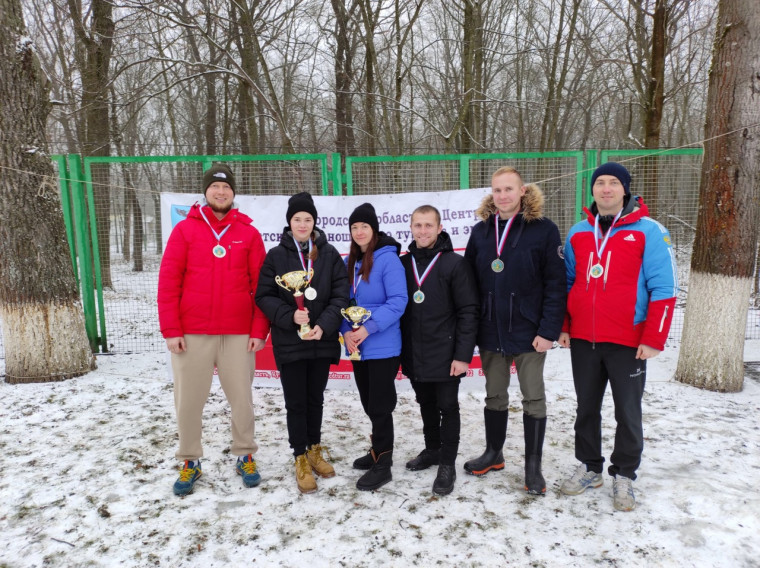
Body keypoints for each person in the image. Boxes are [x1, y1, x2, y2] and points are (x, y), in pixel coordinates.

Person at [558, 162, 677, 512]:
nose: (606, 189)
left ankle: (624, 473)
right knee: (586, 408)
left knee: (627, 410)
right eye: (600, 183)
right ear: (592, 191)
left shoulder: (649, 231)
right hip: (584, 338)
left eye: (613, 183)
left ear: (625, 189)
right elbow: (568, 283)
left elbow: (665, 287)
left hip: (629, 341)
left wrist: (654, 336)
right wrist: (565, 326)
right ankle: (590, 467)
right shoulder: (579, 232)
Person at [157, 164, 270, 496]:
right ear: (206, 192)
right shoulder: (185, 231)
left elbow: (260, 287)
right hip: (193, 333)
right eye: (215, 188)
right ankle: (190, 460)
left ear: (233, 194)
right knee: (188, 402)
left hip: (237, 333)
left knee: (242, 400)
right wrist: (171, 329)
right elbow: (169, 282)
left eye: (227, 188)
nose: (221, 193)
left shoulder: (248, 233)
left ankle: (244, 454)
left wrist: (258, 330)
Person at [463, 166, 566, 495]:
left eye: (509, 189)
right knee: (495, 396)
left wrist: (548, 330)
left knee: (533, 398)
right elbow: (468, 284)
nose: (503, 196)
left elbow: (555, 284)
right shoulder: (480, 232)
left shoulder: (543, 230)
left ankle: (533, 468)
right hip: (491, 331)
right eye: (497, 190)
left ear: (523, 191)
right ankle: (494, 454)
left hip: (529, 333)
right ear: (491, 194)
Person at [255, 192, 349, 494]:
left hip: (321, 341)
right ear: (289, 222)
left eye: (308, 219)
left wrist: (324, 325)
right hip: (290, 342)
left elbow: (340, 295)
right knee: (296, 402)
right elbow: (264, 296)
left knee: (315, 399)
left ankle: (314, 448)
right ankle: (299, 457)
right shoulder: (276, 256)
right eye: (298, 219)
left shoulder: (329, 254)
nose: (303, 224)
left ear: (314, 222)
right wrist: (288, 315)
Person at [400, 205, 479, 496]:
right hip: (414, 352)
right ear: (411, 228)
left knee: (448, 406)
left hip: (446, 354)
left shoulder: (454, 264)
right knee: (426, 404)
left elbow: (468, 311)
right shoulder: (403, 264)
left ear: (439, 227)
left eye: (428, 226)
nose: (423, 231)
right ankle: (432, 449)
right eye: (418, 225)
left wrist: (462, 355)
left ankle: (448, 463)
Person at [342, 202, 408, 491]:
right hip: (359, 347)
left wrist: (367, 328)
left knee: (381, 406)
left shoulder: (388, 259)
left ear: (374, 229)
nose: (359, 232)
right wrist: (347, 332)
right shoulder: (353, 261)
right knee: (369, 402)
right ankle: (375, 450)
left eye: (364, 227)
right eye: (354, 227)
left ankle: (384, 465)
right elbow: (347, 303)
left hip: (382, 345)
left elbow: (398, 301)